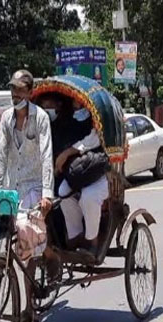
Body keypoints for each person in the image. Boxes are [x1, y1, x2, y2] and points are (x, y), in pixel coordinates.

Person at [0, 70, 54, 321]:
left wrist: (47, 193)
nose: (15, 95)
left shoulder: (41, 119)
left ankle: (30, 306)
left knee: (26, 236)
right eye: (12, 90)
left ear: (29, 92)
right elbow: (0, 156)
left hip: (36, 186)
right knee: (16, 237)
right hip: (13, 186)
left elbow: (47, 156)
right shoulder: (6, 119)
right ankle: (40, 252)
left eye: (20, 90)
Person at [38, 95, 108, 258]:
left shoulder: (95, 118)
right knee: (62, 193)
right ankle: (75, 236)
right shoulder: (65, 121)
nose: (77, 104)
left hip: (96, 172)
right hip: (74, 174)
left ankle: (93, 241)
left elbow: (93, 139)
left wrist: (69, 152)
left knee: (88, 197)